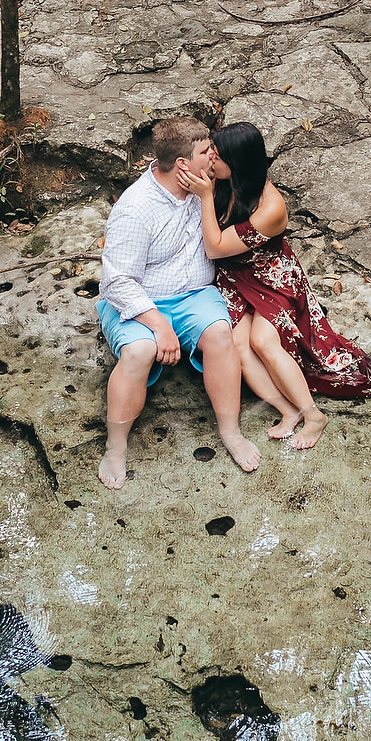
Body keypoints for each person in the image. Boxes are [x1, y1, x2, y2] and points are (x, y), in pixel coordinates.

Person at [182, 121, 371, 447]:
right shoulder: (225, 180)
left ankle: (313, 415)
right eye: (211, 149)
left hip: (272, 279)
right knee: (237, 344)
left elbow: (214, 246)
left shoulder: (270, 208)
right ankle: (287, 409)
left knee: (263, 341)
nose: (211, 157)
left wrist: (204, 196)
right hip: (233, 277)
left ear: (237, 162)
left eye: (218, 153)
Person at [96, 116, 261, 491]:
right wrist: (159, 325)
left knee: (221, 335)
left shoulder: (207, 185)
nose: (214, 156)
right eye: (206, 151)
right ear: (183, 164)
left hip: (196, 295)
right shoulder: (136, 208)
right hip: (141, 299)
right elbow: (117, 281)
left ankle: (230, 432)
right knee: (139, 351)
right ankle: (116, 445)